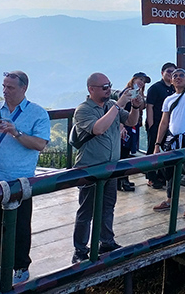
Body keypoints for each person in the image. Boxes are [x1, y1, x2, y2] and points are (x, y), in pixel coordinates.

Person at [0, 70, 50, 285]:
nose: (5, 91)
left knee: (21, 224)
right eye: (4, 86)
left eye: (10, 87)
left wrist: (16, 133)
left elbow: (40, 144)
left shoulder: (38, 113)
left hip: (20, 180)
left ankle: (21, 266)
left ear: (24, 88)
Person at [71, 73, 137, 263]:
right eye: (105, 87)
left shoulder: (110, 106)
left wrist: (136, 106)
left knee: (108, 206)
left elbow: (131, 122)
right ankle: (80, 250)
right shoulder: (83, 110)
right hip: (90, 168)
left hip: (111, 167)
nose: (109, 90)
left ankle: (106, 241)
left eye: (110, 86)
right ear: (91, 89)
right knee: (86, 211)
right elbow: (98, 129)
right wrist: (118, 105)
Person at [153, 46, 185, 218]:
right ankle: (170, 199)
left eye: (181, 75)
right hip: (172, 139)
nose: (178, 78)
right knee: (170, 172)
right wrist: (158, 144)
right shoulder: (168, 99)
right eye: (175, 76)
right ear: (171, 81)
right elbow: (164, 122)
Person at [113, 72, 149, 191]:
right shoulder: (127, 92)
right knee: (123, 154)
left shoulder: (137, 94)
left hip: (133, 126)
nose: (141, 82)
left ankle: (122, 179)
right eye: (140, 79)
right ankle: (121, 180)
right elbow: (120, 109)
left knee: (126, 153)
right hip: (126, 126)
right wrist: (121, 126)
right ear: (133, 79)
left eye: (143, 81)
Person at [144, 63, 176, 189]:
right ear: (162, 72)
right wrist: (151, 125)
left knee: (165, 150)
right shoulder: (155, 88)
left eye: (173, 72)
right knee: (152, 150)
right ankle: (151, 177)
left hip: (169, 125)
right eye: (168, 71)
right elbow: (149, 107)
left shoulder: (175, 88)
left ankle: (162, 176)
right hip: (156, 123)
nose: (170, 74)